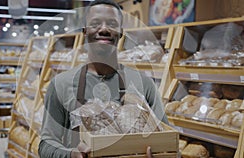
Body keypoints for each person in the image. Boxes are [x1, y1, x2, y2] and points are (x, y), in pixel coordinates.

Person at [38, 0, 168, 157]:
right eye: (95, 23)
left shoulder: (144, 84)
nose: (104, 29)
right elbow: (46, 144)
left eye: (112, 24)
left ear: (121, 32)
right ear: (84, 31)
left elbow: (166, 138)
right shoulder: (61, 84)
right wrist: (71, 155)